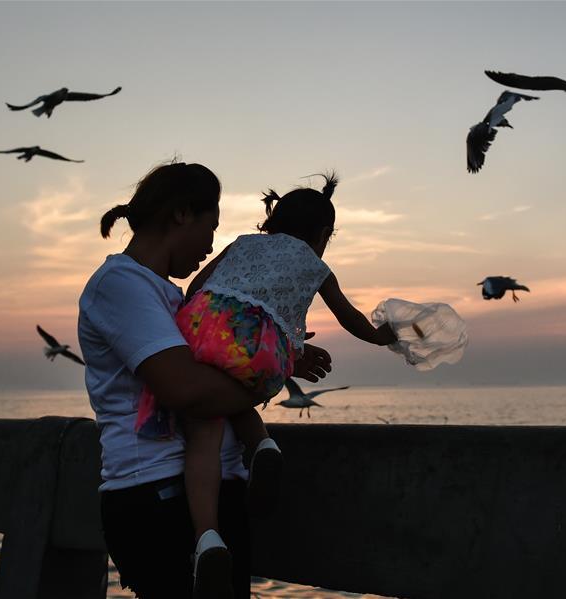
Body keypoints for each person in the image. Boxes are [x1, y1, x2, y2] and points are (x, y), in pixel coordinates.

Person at [78, 161, 333, 599]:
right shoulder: (121, 284)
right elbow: (186, 390)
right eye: (210, 226)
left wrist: (280, 352)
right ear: (181, 214)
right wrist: (275, 370)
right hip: (158, 495)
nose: (212, 244)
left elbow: (214, 370)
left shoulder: (173, 296)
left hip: (201, 496)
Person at [134, 170, 397, 594]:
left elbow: (199, 286)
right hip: (263, 349)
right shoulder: (316, 264)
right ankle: (262, 444)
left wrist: (199, 321)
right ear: (324, 233)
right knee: (235, 382)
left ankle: (207, 538)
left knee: (205, 423)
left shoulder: (244, 243)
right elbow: (349, 317)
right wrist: (382, 336)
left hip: (207, 328)